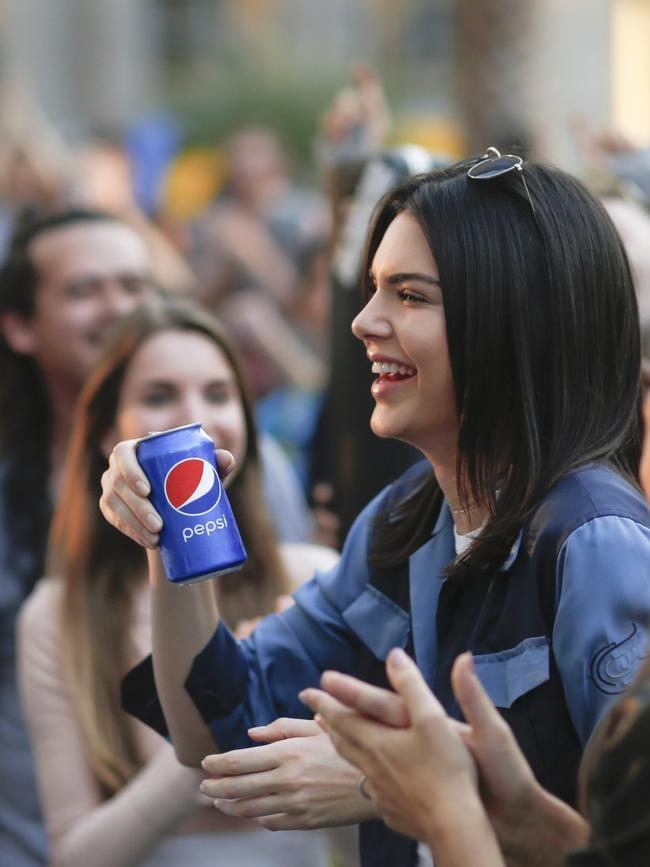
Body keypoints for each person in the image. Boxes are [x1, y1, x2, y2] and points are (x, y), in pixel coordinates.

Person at [101, 152, 650, 867]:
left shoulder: (597, 541)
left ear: (513, 320)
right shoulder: (406, 521)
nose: (364, 322)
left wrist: (380, 782)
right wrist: (164, 528)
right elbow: (220, 723)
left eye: (410, 296)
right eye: (372, 290)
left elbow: (624, 843)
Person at [18, 298, 341, 867]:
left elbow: (372, 829)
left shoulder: (315, 579)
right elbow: (72, 854)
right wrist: (215, 711)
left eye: (218, 394)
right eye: (159, 396)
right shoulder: (57, 615)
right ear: (104, 435)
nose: (195, 418)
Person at [0, 208, 157, 867]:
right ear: (19, 326)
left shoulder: (224, 472)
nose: (118, 308)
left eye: (133, 285)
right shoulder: (12, 482)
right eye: (85, 290)